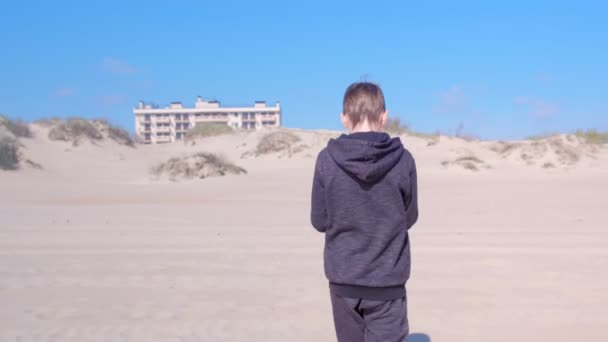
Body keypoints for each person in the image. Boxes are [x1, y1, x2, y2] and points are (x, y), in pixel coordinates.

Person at [310, 82, 419, 342]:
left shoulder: (326, 160)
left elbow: (319, 220)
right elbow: (410, 216)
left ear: (344, 119)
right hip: (387, 278)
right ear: (384, 116)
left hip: (344, 277)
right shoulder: (404, 160)